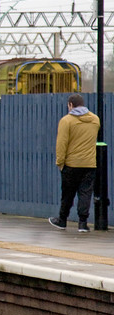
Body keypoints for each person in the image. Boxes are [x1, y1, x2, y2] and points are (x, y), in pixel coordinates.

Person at [48, 94, 100, 232]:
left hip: (71, 164)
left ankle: (62, 220)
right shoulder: (95, 120)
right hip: (89, 164)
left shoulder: (67, 121)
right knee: (85, 194)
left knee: (68, 194)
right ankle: (83, 224)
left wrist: (60, 162)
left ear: (70, 105)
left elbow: (61, 144)